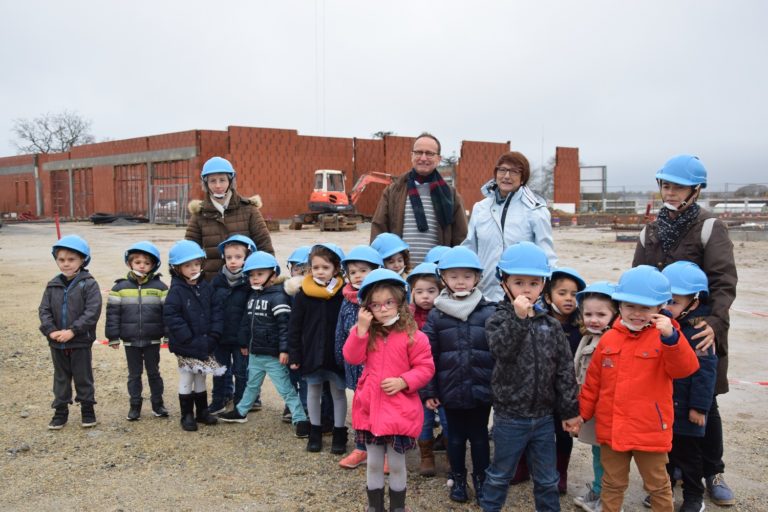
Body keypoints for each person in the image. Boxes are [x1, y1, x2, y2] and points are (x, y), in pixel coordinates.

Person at [633, 154, 737, 506]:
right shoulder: (650, 230)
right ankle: (675, 471)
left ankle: (713, 470)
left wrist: (715, 322)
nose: (670, 191)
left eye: (678, 186)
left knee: (705, 402)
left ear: (696, 189)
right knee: (666, 400)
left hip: (699, 328)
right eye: (666, 184)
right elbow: (639, 279)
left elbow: (723, 281)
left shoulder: (709, 227)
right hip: (659, 328)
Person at [578, 265, 700, 512]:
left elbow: (685, 369)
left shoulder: (667, 337)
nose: (636, 313)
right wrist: (581, 415)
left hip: (650, 431)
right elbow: (593, 383)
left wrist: (671, 339)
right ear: (619, 306)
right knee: (612, 483)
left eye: (645, 307)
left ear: (660, 308)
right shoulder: (610, 338)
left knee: (658, 486)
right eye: (630, 306)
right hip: (612, 430)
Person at [479, 242, 581, 512]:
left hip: (544, 417)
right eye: (519, 282)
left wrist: (570, 411)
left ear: (543, 286)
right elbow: (502, 350)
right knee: (500, 474)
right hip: (510, 417)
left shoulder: (551, 325)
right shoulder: (497, 319)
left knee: (548, 479)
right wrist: (518, 319)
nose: (526, 289)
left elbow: (565, 371)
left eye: (534, 283)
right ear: (504, 284)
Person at [343, 269, 435, 512]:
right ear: (367, 308)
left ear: (400, 302)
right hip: (370, 409)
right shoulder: (366, 331)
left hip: (399, 412)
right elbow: (351, 357)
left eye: (388, 303)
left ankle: (398, 507)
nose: (382, 309)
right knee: (373, 463)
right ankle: (374, 507)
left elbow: (425, 368)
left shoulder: (413, 335)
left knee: (396, 464)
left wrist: (404, 381)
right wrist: (361, 330)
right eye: (375, 305)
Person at [422, 247, 496, 505]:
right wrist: (430, 390)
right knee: (453, 437)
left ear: (477, 278)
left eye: (467, 275)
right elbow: (427, 355)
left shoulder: (489, 311)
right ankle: (457, 477)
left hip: (480, 387)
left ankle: (481, 478)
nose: (461, 281)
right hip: (449, 388)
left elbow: (497, 353)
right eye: (454, 276)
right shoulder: (437, 313)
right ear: (444, 279)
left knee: (478, 437)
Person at [218, 252, 311, 437]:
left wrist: (284, 350)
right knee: (251, 385)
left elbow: (285, 326)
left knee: (285, 389)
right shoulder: (253, 296)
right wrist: (244, 343)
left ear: (273, 275)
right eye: (252, 275)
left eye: (260, 274)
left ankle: (300, 418)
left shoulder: (279, 297)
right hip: (255, 352)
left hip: (273, 355)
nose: (255, 278)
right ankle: (241, 411)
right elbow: (246, 322)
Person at [659, 261, 718, 512]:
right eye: (663, 300)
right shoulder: (661, 327)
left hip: (687, 411)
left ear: (694, 303)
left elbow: (705, 375)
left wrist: (698, 408)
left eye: (673, 301)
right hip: (664, 409)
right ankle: (664, 491)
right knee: (665, 456)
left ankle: (694, 497)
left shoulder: (699, 334)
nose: (666, 307)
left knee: (690, 458)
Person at [462, 151, 556, 302]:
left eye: (514, 171)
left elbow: (547, 256)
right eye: (502, 170)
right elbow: (470, 248)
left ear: (523, 177)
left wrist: (547, 294)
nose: (506, 176)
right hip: (482, 295)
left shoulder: (536, 211)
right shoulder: (480, 208)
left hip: (519, 297)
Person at [370, 132, 468, 263]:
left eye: (429, 153)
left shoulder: (450, 195)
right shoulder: (393, 191)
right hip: (399, 274)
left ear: (439, 159)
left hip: (436, 275)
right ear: (411, 156)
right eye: (418, 152)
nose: (423, 158)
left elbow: (460, 238)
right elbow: (379, 230)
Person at [287, 243, 348, 453]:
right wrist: (294, 353)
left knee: (338, 393)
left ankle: (339, 433)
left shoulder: (343, 294)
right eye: (315, 267)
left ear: (336, 269)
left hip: (336, 353)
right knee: (313, 391)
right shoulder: (303, 294)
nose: (320, 271)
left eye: (325, 267)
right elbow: (294, 327)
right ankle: (315, 431)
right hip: (311, 353)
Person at [39, 235, 102, 429]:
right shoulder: (52, 285)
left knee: (83, 377)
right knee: (61, 377)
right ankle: (60, 411)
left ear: (83, 260)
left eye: (71, 260)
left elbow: (92, 311)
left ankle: (87, 409)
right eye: (61, 260)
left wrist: (73, 331)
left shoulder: (89, 284)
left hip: (80, 341)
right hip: (57, 342)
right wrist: (51, 331)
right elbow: (44, 310)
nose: (66, 264)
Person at [163, 240, 225, 431]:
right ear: (177, 268)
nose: (193, 268)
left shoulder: (206, 286)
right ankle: (186, 415)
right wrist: (189, 338)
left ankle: (202, 412)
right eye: (187, 265)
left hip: (205, 342)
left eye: (196, 264)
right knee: (187, 378)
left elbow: (216, 310)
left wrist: (214, 334)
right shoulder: (176, 290)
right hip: (186, 344)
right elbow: (172, 317)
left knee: (201, 378)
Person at [106, 241, 169, 421]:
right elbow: (112, 313)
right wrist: (113, 336)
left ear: (153, 265)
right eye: (138, 262)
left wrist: (168, 335)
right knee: (134, 374)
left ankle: (158, 404)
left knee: (154, 373)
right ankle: (135, 406)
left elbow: (168, 313)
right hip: (130, 340)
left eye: (147, 263)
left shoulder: (160, 288)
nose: (142, 265)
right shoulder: (119, 288)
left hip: (152, 340)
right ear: (130, 263)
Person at [185, 156, 274, 281]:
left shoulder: (249, 210)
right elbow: (189, 254)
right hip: (212, 283)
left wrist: (267, 276)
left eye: (222, 180)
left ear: (230, 181)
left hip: (245, 282)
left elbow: (264, 246)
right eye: (212, 181)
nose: (218, 185)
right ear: (206, 183)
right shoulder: (199, 215)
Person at [572, 282, 618, 512]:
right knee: (597, 451)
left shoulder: (613, 341)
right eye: (588, 313)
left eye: (602, 314)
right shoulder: (588, 337)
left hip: (605, 411)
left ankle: (608, 498)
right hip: (589, 408)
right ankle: (599, 489)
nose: (594, 319)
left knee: (608, 456)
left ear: (615, 314)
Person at [335, 246, 383, 469]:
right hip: (355, 367)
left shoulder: (382, 301)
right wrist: (340, 359)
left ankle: (383, 450)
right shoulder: (346, 299)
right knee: (361, 408)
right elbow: (340, 332)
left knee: (381, 409)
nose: (358, 276)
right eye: (353, 272)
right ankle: (361, 448)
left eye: (364, 270)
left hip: (379, 369)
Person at [543, 267, 587, 494]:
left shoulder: (582, 327)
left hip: (567, 393)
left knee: (563, 433)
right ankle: (523, 467)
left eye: (574, 294)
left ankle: (561, 474)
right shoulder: (539, 322)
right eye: (562, 293)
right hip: (541, 390)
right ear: (549, 296)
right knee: (537, 432)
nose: (569, 298)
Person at [407, 262, 448, 477]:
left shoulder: (446, 314)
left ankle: (451, 453)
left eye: (431, 291)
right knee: (423, 419)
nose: (425, 297)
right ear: (411, 293)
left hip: (444, 377)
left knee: (448, 417)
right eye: (419, 292)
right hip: (418, 379)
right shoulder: (406, 319)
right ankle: (426, 455)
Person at [209, 234, 257, 415]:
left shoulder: (249, 284)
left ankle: (241, 403)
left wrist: (247, 339)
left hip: (240, 339)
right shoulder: (217, 281)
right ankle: (219, 400)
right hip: (220, 336)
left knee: (241, 372)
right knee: (219, 370)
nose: (233, 261)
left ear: (247, 258)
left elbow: (250, 315)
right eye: (229, 257)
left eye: (238, 257)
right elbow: (211, 308)